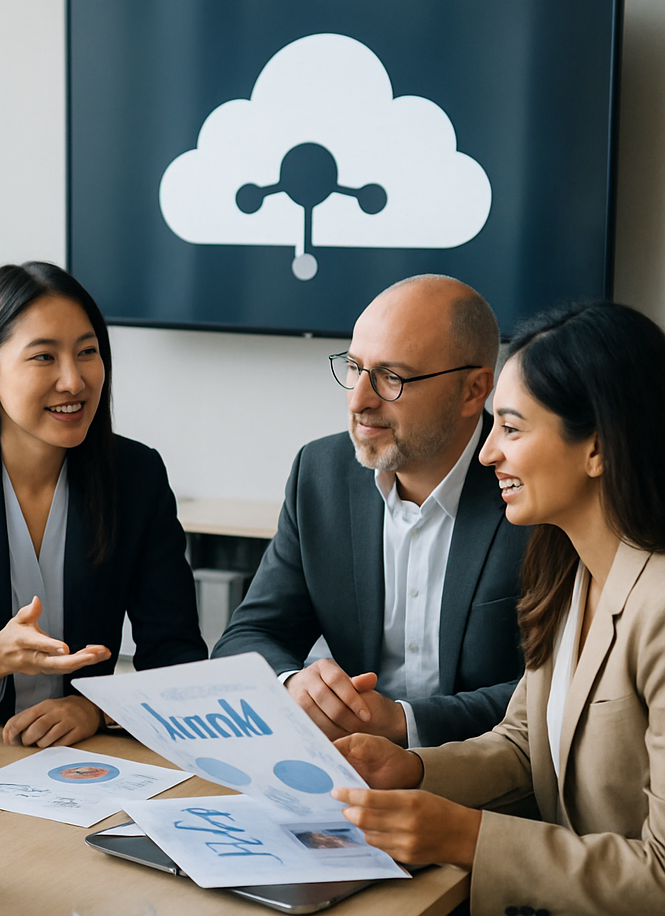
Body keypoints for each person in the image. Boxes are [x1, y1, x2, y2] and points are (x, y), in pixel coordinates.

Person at [332, 302, 665, 916]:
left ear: (597, 446)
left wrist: (467, 837)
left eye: (510, 428)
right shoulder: (571, 569)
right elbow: (524, 745)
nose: (487, 453)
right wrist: (415, 768)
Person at [0, 261, 206, 748]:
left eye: (87, 352)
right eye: (44, 357)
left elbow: (177, 657)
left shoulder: (135, 475)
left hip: (87, 757)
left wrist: (96, 708)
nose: (74, 380)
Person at [212, 275, 530, 747]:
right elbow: (249, 635)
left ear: (472, 390)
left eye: (391, 378)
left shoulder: (532, 487)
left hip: (489, 784)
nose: (358, 400)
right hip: (349, 772)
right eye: (354, 367)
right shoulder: (319, 473)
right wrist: (291, 684)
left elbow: (557, 690)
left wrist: (405, 724)